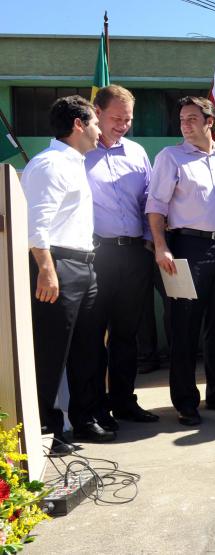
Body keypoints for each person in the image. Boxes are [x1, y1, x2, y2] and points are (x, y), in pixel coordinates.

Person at [146, 96, 215, 426]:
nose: (186, 124)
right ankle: (186, 401)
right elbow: (155, 207)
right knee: (185, 327)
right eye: (182, 119)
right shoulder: (170, 157)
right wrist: (161, 246)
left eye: (192, 118)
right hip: (185, 247)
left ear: (210, 122)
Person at [21, 95, 111, 454]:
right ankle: (47, 429)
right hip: (57, 265)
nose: (99, 130)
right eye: (95, 123)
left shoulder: (74, 163)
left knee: (87, 348)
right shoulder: (50, 164)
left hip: (83, 265)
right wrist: (46, 269)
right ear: (78, 125)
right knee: (51, 351)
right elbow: (35, 225)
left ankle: (84, 418)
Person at [84, 85, 159, 430]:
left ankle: (125, 402)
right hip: (95, 256)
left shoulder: (137, 152)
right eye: (116, 118)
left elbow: (149, 202)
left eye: (127, 119)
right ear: (96, 112)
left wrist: (149, 242)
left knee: (127, 335)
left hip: (133, 255)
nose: (122, 125)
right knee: (94, 336)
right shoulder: (80, 154)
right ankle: (95, 409)